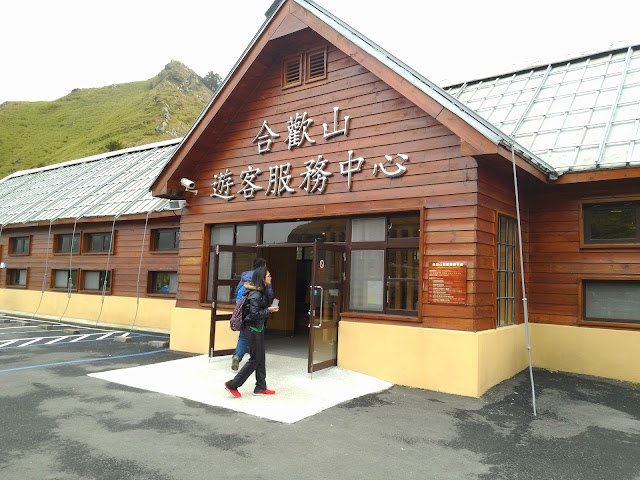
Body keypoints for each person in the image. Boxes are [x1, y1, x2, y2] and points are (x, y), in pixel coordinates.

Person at [224, 267, 279, 397]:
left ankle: (260, 387)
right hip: (252, 328)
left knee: (261, 358)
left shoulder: (260, 292)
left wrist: (268, 309)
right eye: (268, 275)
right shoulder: (256, 294)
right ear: (262, 278)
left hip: (257, 327)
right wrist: (269, 310)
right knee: (255, 359)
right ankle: (232, 384)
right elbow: (253, 314)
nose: (270, 278)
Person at [231, 257, 274, 371]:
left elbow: (237, 292)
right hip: (254, 311)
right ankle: (255, 360)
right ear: (263, 266)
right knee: (256, 334)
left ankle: (238, 356)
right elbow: (269, 294)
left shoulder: (244, 277)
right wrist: (268, 308)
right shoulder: (262, 278)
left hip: (242, 309)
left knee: (243, 335)